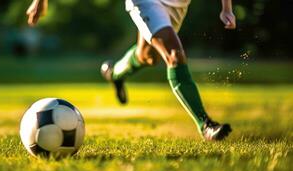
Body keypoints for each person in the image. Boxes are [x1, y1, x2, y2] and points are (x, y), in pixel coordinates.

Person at [26, 0, 235, 141]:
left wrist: (227, 8)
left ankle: (115, 73)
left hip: (178, 5)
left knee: (148, 57)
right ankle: (205, 124)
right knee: (174, 55)